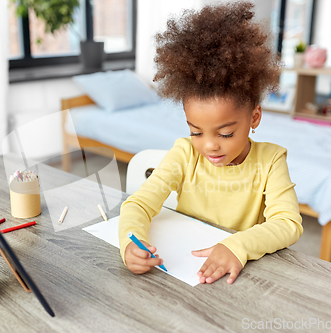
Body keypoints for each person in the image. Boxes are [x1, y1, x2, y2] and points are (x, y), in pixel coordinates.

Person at [118, 1, 303, 285]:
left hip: (237, 278)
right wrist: (131, 244)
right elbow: (139, 205)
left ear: (254, 117)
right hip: (181, 273)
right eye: (196, 132)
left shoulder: (271, 160)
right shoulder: (183, 154)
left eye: (225, 133)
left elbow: (288, 224)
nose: (209, 146)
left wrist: (237, 246)